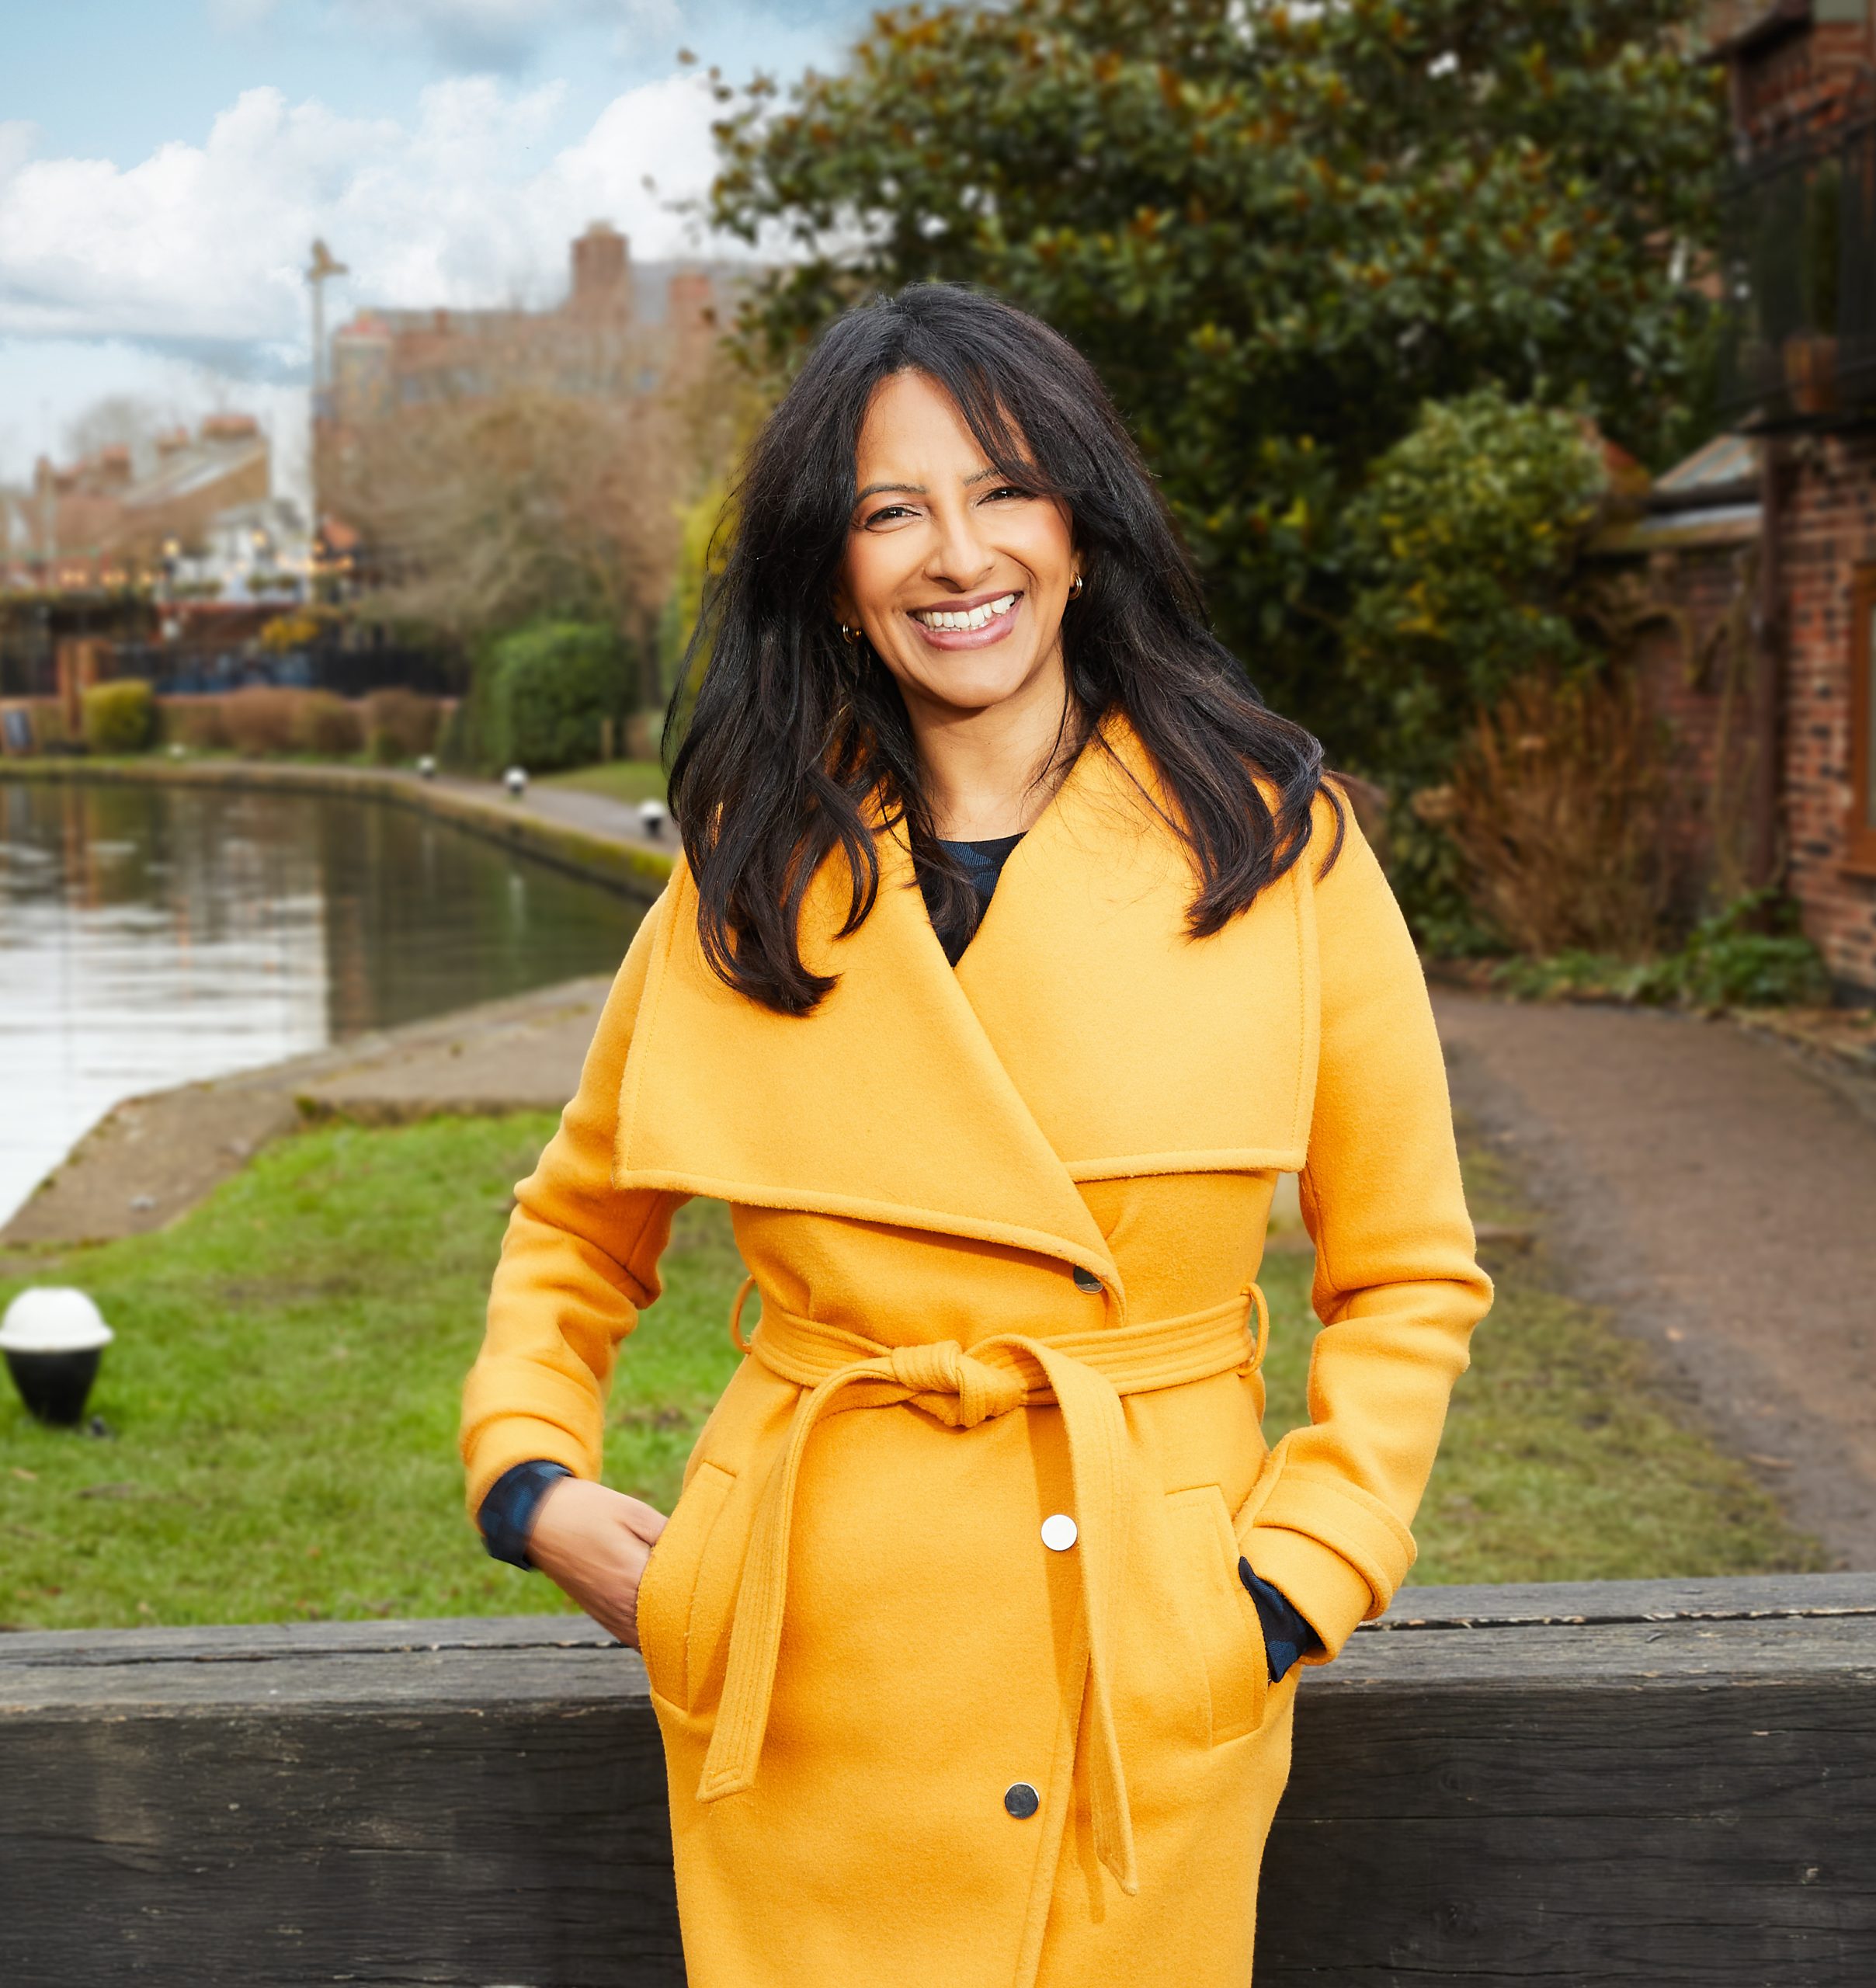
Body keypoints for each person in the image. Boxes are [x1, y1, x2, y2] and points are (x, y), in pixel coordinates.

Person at [459, 283, 1493, 1987]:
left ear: (1081, 526)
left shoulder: (1275, 844)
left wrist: (1292, 1582)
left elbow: (1407, 1272)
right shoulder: (747, 868)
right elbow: (575, 1229)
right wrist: (531, 1479)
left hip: (1139, 1662)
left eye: (1004, 488)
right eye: (890, 510)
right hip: (803, 1667)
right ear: (835, 574)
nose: (958, 553)